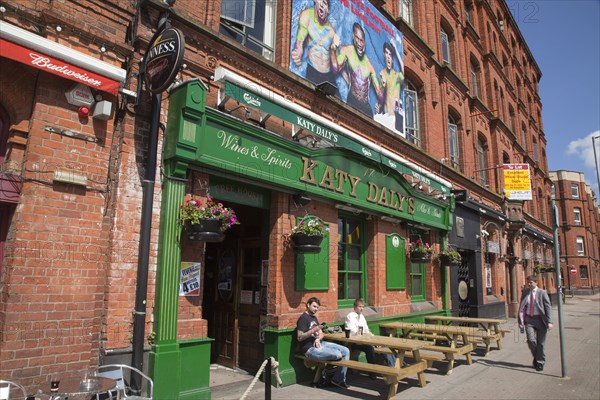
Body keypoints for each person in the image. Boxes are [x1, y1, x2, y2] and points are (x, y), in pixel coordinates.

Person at [330, 22, 383, 117]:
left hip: (366, 106)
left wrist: (383, 85)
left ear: (365, 42)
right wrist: (333, 48)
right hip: (352, 100)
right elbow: (335, 68)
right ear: (353, 37)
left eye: (362, 40)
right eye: (357, 39)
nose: (359, 43)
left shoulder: (370, 65)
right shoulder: (347, 50)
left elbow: (380, 94)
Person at [297, 297, 350, 388]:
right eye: (314, 306)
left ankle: (338, 379)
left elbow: (321, 334)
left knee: (346, 350)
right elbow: (299, 337)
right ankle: (327, 373)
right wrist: (313, 331)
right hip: (310, 349)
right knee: (337, 354)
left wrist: (318, 338)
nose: (316, 309)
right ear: (308, 305)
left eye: (317, 307)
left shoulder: (314, 318)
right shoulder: (303, 319)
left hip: (321, 344)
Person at [291, 0, 339, 85]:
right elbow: (299, 43)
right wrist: (297, 54)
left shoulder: (332, 32)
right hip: (312, 71)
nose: (321, 5)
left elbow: (335, 69)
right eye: (319, 1)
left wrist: (333, 50)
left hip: (328, 76)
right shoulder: (307, 16)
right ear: (315, 2)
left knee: (336, 98)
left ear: (328, 10)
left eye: (324, 3)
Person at [345, 298, 396, 378]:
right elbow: (353, 332)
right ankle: (372, 372)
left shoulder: (362, 317)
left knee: (384, 346)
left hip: (365, 340)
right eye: (359, 306)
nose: (361, 308)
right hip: (354, 343)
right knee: (369, 348)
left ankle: (392, 370)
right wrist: (367, 337)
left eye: (362, 307)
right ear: (355, 307)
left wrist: (375, 341)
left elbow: (366, 330)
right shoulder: (350, 316)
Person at [518, 275, 553, 371]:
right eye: (528, 282)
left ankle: (539, 362)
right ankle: (538, 357)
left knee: (541, 343)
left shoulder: (542, 292)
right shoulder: (525, 292)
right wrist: (520, 321)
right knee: (530, 340)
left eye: (531, 282)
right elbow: (522, 307)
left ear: (536, 282)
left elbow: (548, 307)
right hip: (529, 319)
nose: (529, 284)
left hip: (541, 320)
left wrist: (549, 321)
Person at [375, 39, 404, 133]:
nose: (388, 57)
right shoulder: (382, 73)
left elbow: (403, 70)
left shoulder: (397, 75)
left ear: (393, 58)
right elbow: (381, 96)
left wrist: (395, 48)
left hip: (397, 118)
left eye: (390, 55)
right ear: (384, 55)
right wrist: (378, 106)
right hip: (386, 118)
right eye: (386, 53)